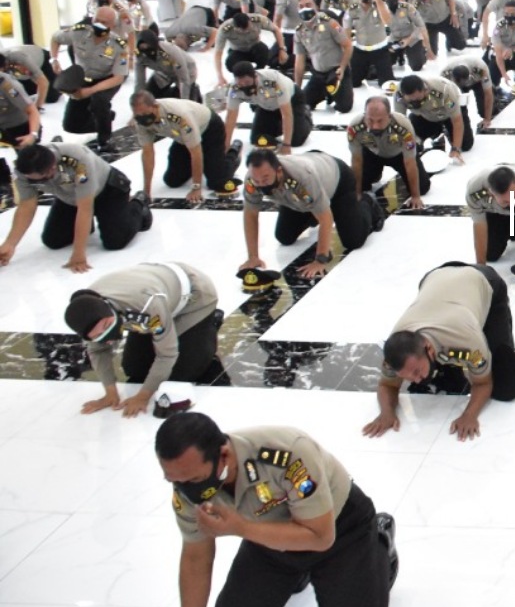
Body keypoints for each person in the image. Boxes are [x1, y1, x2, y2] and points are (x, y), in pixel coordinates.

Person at [146, 412, 396, 607]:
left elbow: (321, 537)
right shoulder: (186, 486)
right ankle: (297, 574)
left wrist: (240, 528)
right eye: (174, 481)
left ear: (224, 455)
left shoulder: (288, 453)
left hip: (340, 532)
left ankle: (380, 539)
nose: (186, 489)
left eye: (194, 480)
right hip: (269, 542)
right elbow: (196, 558)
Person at [366, 262, 515, 442]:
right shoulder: (395, 350)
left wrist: (469, 415)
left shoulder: (465, 340)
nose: (416, 379)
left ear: (428, 348)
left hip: (483, 280)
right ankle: (441, 364)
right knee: (437, 380)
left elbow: (483, 383)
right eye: (408, 377)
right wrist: (386, 413)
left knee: (506, 384)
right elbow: (387, 384)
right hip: (433, 278)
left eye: (417, 371)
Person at [64, 262, 225, 417]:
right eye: (99, 336)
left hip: (194, 297)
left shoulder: (147, 304)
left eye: (107, 325)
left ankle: (209, 324)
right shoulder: (87, 312)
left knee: (182, 373)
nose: (107, 338)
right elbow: (98, 351)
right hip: (153, 300)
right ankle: (169, 325)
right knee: (134, 369)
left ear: (110, 310)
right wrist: (110, 393)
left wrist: (142, 397)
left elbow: (167, 354)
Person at [0, 142, 151, 272]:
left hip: (107, 190)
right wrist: (10, 244)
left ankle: (139, 204)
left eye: (39, 179)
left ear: (51, 169)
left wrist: (79, 253)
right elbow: (27, 205)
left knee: (115, 242)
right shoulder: (23, 171)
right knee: (53, 241)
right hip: (71, 197)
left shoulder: (78, 161)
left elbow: (85, 209)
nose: (33, 181)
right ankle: (87, 227)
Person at [239, 149, 383, 280]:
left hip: (337, 181)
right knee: (284, 236)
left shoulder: (302, 177)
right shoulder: (252, 180)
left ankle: (367, 202)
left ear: (279, 171)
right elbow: (250, 214)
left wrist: (320, 260)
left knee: (353, 241)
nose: (261, 184)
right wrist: (253, 257)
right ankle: (314, 211)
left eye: (265, 179)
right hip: (301, 196)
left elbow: (326, 218)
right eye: (257, 181)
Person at [131, 90, 241, 201]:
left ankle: (234, 152)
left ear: (155, 106)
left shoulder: (179, 116)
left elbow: (196, 152)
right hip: (183, 138)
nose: (142, 118)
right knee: (172, 180)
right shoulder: (140, 122)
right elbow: (148, 153)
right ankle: (204, 164)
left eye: (145, 114)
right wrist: (146, 191)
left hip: (209, 130)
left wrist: (196, 187)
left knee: (216, 181)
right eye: (138, 115)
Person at [50, 9, 128, 148]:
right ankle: (106, 118)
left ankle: (105, 138)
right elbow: (55, 38)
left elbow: (118, 78)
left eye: (104, 22)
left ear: (112, 25)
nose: (99, 24)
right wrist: (54, 60)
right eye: (97, 20)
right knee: (70, 126)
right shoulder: (79, 32)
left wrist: (91, 91)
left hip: (107, 79)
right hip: (83, 77)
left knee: (99, 101)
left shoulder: (119, 46)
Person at [349, 97, 428, 207]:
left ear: (389, 117)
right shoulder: (355, 127)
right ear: (365, 115)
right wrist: (357, 193)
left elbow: (409, 162)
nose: (375, 126)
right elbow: (356, 160)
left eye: (380, 121)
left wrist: (415, 196)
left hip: (399, 154)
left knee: (422, 187)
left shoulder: (403, 125)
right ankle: (375, 173)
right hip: (373, 154)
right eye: (370, 120)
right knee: (358, 185)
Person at [224, 63, 311, 150]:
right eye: (240, 83)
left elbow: (286, 114)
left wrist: (286, 145)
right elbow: (230, 117)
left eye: (247, 82)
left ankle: (305, 116)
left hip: (291, 101)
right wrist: (226, 146)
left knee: (295, 141)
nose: (244, 86)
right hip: (266, 106)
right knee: (258, 139)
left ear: (255, 77)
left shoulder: (273, 83)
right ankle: (279, 125)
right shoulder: (234, 89)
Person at [291, 0, 354, 114]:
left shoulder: (330, 23)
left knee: (344, 107)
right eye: (301, 7)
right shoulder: (299, 31)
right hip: (318, 74)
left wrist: (342, 67)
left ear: (316, 6)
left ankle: (333, 93)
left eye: (308, 5)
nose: (305, 9)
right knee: (303, 103)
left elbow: (348, 46)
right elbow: (299, 61)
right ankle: (326, 93)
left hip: (337, 72)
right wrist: (297, 88)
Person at [395, 73, 471, 155]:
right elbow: (400, 122)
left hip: (449, 114)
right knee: (413, 147)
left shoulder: (443, 91)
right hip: (425, 116)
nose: (415, 102)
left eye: (418, 99)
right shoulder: (399, 95)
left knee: (465, 145)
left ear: (425, 90)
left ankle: (446, 131)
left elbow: (457, 121)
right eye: (411, 100)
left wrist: (455, 149)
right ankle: (436, 136)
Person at [133, 33, 199, 102]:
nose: (146, 50)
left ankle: (193, 92)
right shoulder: (141, 57)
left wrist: (184, 101)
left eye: (148, 46)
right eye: (142, 48)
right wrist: (139, 101)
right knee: (150, 94)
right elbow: (140, 82)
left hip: (186, 70)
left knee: (183, 99)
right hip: (164, 72)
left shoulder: (168, 51)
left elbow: (183, 77)